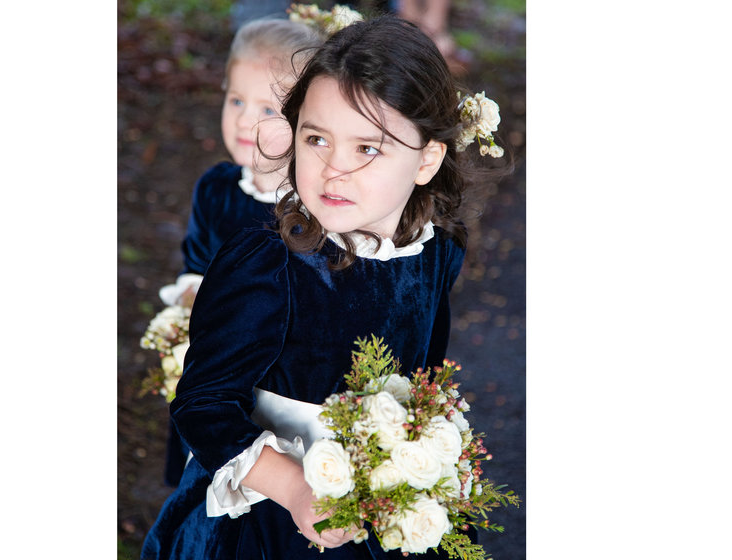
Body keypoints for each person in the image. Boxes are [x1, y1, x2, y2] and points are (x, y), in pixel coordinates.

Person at [142, 15, 506, 559]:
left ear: (426, 159)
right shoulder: (268, 265)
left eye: (368, 149)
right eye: (317, 139)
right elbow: (202, 404)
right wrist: (294, 487)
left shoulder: (437, 249)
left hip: (379, 502)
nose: (334, 168)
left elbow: (424, 368)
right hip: (269, 520)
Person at [158, 17, 322, 487]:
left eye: (269, 110)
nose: (245, 120)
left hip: (278, 373)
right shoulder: (217, 189)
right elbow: (196, 260)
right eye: (235, 100)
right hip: (215, 363)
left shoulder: (312, 206)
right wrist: (191, 299)